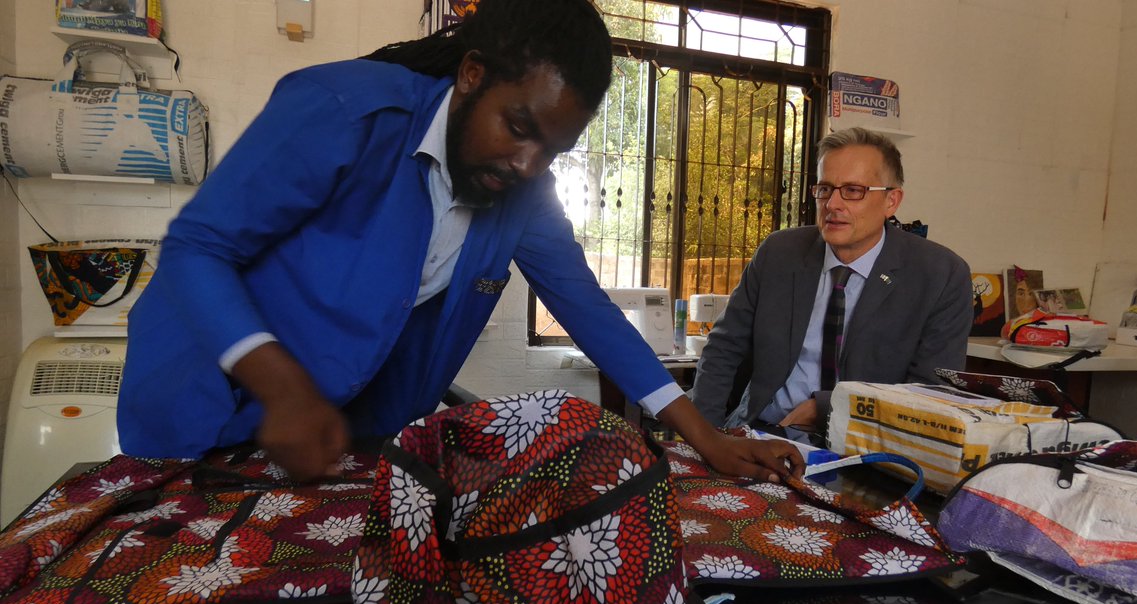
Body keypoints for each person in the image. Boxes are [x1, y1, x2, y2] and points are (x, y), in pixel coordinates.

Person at [116, 0, 802, 483]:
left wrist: (703, 434)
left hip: (327, 426)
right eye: (518, 127)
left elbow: (587, 309)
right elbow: (197, 249)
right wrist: (283, 389)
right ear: (472, 75)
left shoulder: (522, 193)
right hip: (198, 393)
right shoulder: (345, 112)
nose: (528, 164)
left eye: (554, 150)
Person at [688, 127, 973, 438]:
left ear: (891, 201)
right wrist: (704, 435)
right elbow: (724, 348)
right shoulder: (779, 254)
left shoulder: (941, 275)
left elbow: (930, 393)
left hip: (868, 447)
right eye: (825, 189)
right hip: (762, 432)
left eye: (853, 190)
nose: (833, 204)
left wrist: (827, 407)